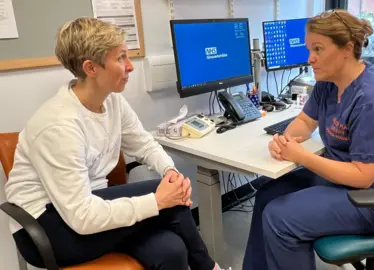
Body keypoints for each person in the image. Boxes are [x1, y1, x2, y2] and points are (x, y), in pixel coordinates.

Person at [5, 17, 227, 270]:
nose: (130, 66)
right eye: (121, 58)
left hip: (93, 206)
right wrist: (158, 200)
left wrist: (170, 173)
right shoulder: (58, 126)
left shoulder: (112, 102)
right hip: (47, 228)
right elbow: (82, 216)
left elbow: (144, 144)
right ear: (91, 68)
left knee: (171, 250)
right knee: (164, 198)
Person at [243, 9, 374, 270]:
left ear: (347, 49)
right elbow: (305, 121)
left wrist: (302, 156)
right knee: (267, 195)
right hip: (346, 180)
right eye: (309, 49)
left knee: (281, 218)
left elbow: (363, 176)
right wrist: (285, 140)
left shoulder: (373, 100)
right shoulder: (329, 82)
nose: (310, 58)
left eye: (318, 49)